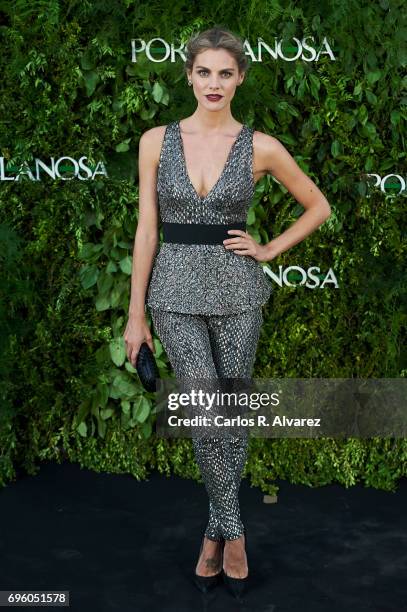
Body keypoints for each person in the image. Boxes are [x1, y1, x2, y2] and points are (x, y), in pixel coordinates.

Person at [123, 26, 331, 599]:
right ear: (188, 76)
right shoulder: (154, 141)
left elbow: (318, 205)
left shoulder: (260, 146)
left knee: (231, 417)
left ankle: (212, 536)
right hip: (173, 293)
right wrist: (135, 315)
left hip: (239, 293)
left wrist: (266, 249)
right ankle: (236, 533)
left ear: (240, 78)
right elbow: (147, 229)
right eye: (203, 72)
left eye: (225, 73)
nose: (214, 83)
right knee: (208, 414)